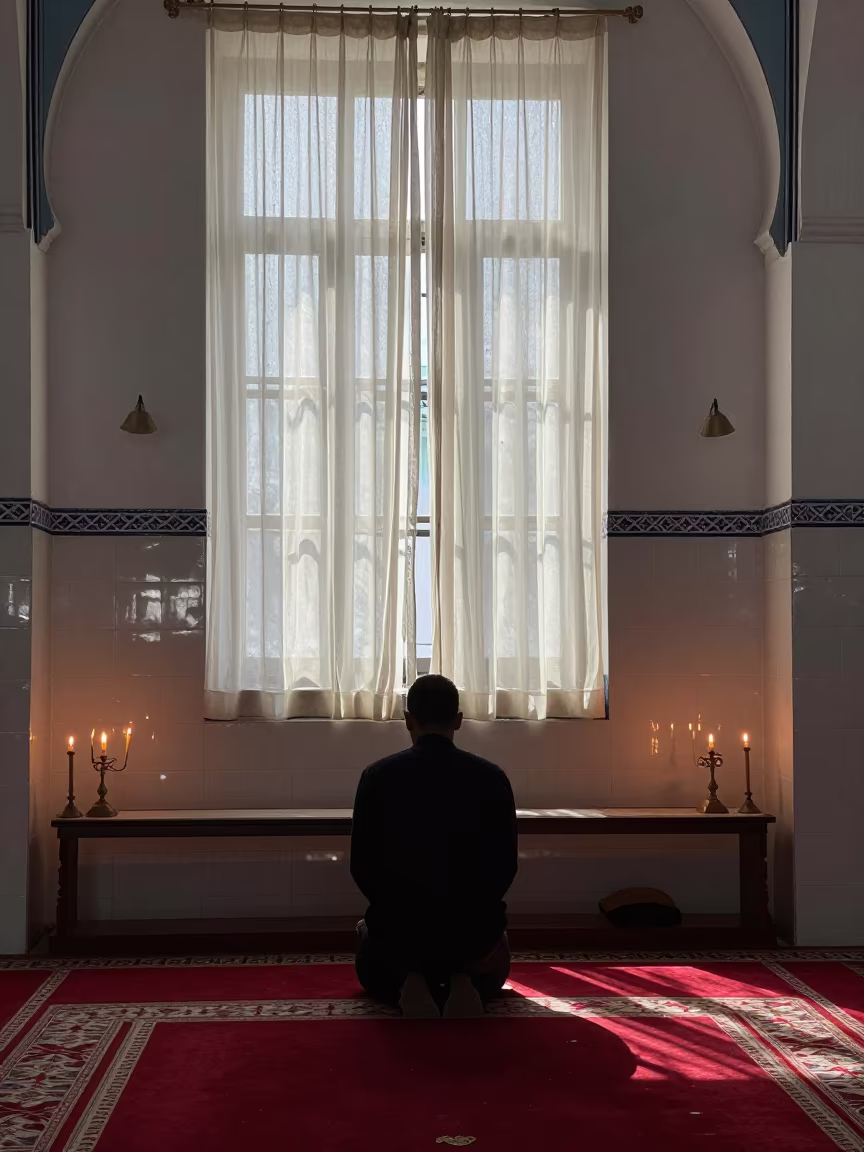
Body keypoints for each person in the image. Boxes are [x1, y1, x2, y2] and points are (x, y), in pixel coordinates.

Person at [350, 674, 518, 1018]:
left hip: (398, 936)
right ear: (458, 720)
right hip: (473, 939)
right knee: (491, 950)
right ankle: (462, 976)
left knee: (368, 935)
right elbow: (505, 866)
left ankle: (410, 977)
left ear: (407, 719)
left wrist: (397, 918)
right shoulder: (492, 777)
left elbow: (362, 866)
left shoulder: (377, 777)